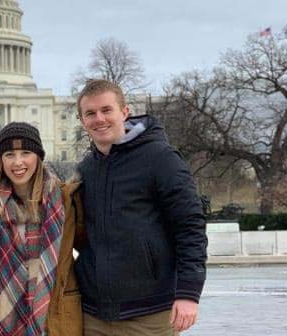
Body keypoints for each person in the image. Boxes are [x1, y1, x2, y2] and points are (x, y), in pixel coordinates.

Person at [73, 79, 207, 335]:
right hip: (93, 315)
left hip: (150, 313)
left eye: (106, 110)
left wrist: (189, 293)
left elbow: (190, 225)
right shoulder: (86, 169)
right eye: (90, 113)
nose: (99, 119)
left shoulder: (160, 158)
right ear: (82, 121)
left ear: (125, 112)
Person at [0, 122, 84, 336]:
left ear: (38, 156)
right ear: (0, 160)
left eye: (26, 152)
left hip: (53, 317)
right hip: (0, 317)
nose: (18, 162)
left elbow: (91, 247)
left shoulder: (65, 200)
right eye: (9, 154)